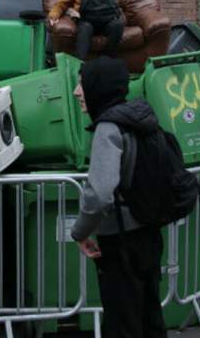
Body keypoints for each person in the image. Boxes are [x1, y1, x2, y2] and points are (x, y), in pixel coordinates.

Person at [70, 57, 167, 338]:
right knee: (150, 318)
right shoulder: (141, 119)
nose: (77, 91)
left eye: (82, 83)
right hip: (148, 232)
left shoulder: (108, 128)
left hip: (121, 241)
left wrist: (81, 233)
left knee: (123, 324)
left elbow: (99, 195)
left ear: (98, 87)